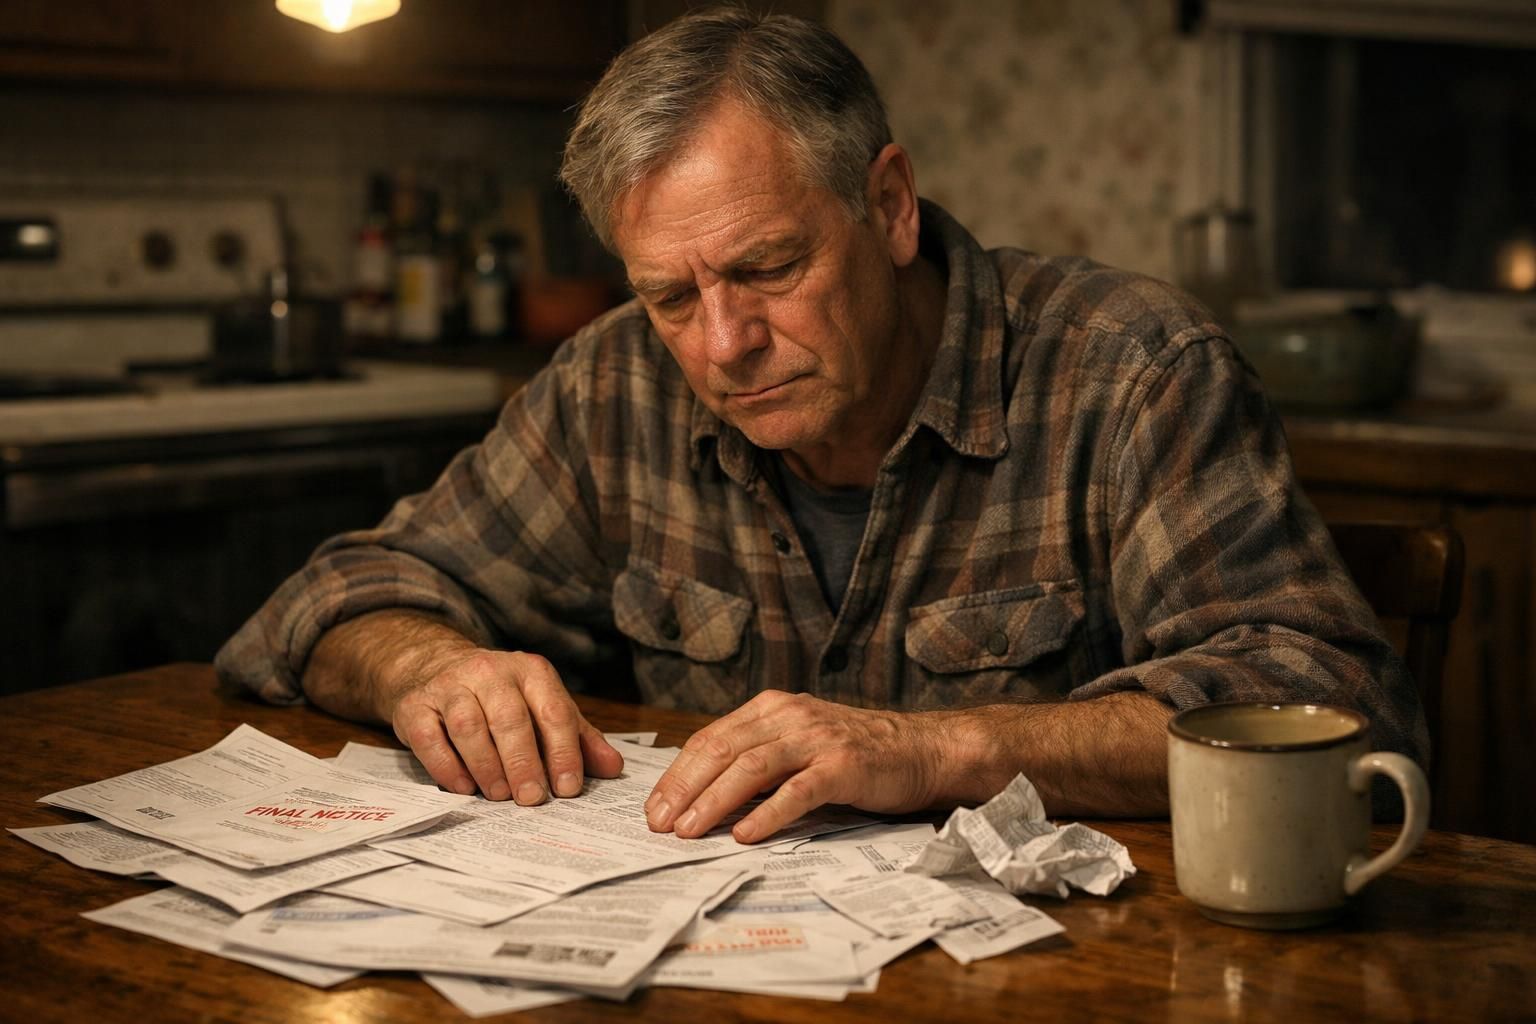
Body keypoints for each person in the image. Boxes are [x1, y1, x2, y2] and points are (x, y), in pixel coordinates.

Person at [216, 8, 1422, 843]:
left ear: (888, 205)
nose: (723, 343)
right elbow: (327, 600)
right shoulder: (617, 388)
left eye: (770, 267)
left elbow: (1330, 704)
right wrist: (428, 663)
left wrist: (942, 749)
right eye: (672, 295)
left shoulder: (1131, 374)